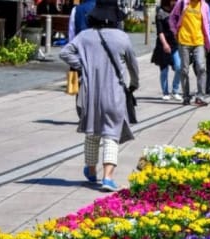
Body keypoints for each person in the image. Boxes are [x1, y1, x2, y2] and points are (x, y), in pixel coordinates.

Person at [60, 0, 139, 192]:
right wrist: (134, 84)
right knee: (111, 134)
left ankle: (91, 169)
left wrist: (83, 65)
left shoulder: (85, 36)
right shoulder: (122, 38)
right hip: (114, 93)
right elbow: (133, 65)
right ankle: (108, 177)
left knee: (92, 132)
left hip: (90, 93)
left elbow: (65, 52)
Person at [169, 0, 210, 106]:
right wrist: (175, 32)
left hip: (199, 41)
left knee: (201, 67)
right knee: (184, 69)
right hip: (184, 40)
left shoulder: (204, 5)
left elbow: (208, 22)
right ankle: (186, 96)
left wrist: (207, 38)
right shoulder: (182, 3)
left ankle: (200, 96)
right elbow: (172, 18)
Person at [151, 0, 182, 100]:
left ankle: (175, 90)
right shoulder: (160, 13)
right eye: (174, 0)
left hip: (175, 44)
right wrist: (165, 44)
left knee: (179, 66)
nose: (176, 2)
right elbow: (160, 32)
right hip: (163, 44)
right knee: (164, 70)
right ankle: (165, 92)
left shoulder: (177, 11)